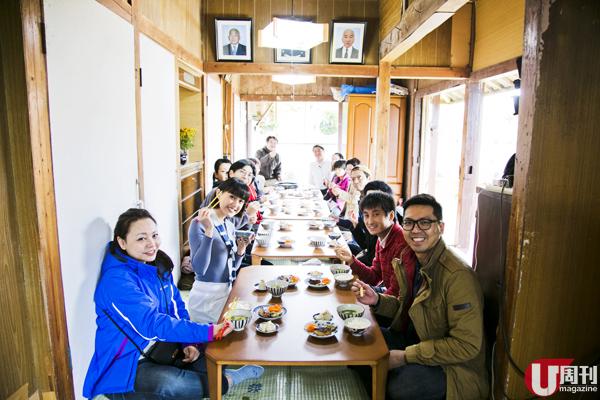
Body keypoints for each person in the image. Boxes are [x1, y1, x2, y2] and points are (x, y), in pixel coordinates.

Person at [83, 208, 263, 399]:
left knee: (216, 353)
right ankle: (228, 381)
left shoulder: (156, 264)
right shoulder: (116, 281)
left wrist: (189, 342)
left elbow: (176, 307)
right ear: (122, 242)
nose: (151, 244)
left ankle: (211, 378)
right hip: (128, 362)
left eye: (154, 235)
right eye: (141, 238)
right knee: (172, 384)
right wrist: (209, 331)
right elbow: (151, 324)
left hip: (162, 347)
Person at [351, 194, 488, 400]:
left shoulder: (457, 276)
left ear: (440, 227)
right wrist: (377, 300)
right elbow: (406, 307)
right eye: (409, 222)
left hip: (451, 368)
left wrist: (406, 357)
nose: (416, 230)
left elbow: (466, 346)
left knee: (399, 387)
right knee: (358, 341)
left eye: (425, 222)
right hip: (415, 341)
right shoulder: (412, 259)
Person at [188, 178, 253, 324]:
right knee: (207, 345)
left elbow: (232, 268)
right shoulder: (199, 223)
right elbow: (199, 269)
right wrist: (209, 231)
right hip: (205, 296)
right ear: (218, 193)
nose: (236, 204)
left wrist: (240, 251)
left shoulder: (229, 225)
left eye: (241, 201)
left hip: (226, 292)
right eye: (232, 197)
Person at [334, 191, 416, 299]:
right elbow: (375, 277)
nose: (370, 221)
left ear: (391, 215)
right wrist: (351, 260)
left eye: (376, 214)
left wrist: (374, 301)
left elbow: (397, 293)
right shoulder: (382, 237)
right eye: (366, 215)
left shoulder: (402, 244)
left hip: (402, 308)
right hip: (389, 299)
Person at [338, 180, 400, 267]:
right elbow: (366, 245)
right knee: (343, 248)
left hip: (371, 261)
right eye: (368, 198)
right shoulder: (370, 219)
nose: (370, 202)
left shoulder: (394, 234)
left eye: (376, 199)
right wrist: (355, 226)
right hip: (369, 257)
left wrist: (353, 262)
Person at [202, 160, 260, 229]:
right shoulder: (220, 192)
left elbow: (242, 225)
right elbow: (220, 224)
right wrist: (247, 215)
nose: (245, 177)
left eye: (250, 175)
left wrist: (249, 219)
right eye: (242, 172)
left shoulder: (243, 194)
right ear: (231, 173)